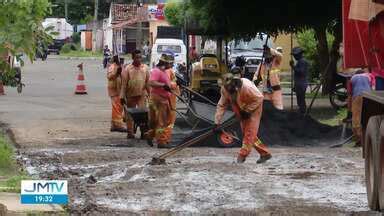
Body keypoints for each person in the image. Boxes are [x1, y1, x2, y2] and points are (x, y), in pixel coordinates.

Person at [215, 67, 272, 163]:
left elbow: (259, 98)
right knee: (248, 133)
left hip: (254, 107)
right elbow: (222, 105)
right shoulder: (225, 90)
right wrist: (217, 123)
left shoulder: (247, 87)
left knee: (249, 134)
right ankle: (264, 153)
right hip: (240, 108)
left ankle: (241, 156)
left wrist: (248, 111)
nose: (229, 89)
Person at [120, 49, 150, 138]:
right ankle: (130, 132)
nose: (139, 59)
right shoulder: (128, 69)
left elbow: (148, 83)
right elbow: (124, 84)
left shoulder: (145, 68)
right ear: (133, 58)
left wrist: (150, 94)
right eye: (137, 57)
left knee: (143, 115)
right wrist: (122, 96)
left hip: (142, 95)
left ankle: (143, 132)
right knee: (129, 114)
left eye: (140, 57)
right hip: (130, 95)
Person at [146, 54, 173, 148]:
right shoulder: (156, 71)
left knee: (158, 121)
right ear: (164, 62)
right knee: (162, 121)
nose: (171, 65)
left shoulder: (164, 71)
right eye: (170, 63)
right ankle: (161, 141)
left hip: (162, 98)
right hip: (159, 99)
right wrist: (162, 85)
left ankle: (150, 135)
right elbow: (151, 82)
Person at [349, 69, 374, 146]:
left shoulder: (352, 78)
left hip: (357, 96)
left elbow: (349, 93)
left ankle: (359, 140)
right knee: (369, 116)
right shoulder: (370, 75)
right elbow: (373, 87)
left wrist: (350, 107)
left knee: (356, 118)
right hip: (369, 96)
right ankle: (370, 137)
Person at [107, 55, 127, 133]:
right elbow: (109, 77)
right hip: (114, 90)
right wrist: (116, 73)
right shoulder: (113, 67)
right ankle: (118, 125)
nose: (122, 62)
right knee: (117, 108)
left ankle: (114, 124)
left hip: (119, 90)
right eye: (120, 60)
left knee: (118, 108)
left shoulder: (121, 67)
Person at [290, 47, 309, 114]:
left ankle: (303, 112)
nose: (294, 57)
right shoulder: (300, 61)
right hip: (299, 84)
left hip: (301, 84)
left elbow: (301, 72)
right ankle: (302, 112)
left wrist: (293, 66)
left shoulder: (302, 61)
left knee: (301, 100)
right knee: (300, 100)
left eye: (295, 55)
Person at [165, 53, 180, 129]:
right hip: (169, 93)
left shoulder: (170, 70)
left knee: (171, 109)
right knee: (170, 109)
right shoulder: (168, 70)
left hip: (171, 94)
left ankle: (170, 124)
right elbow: (168, 83)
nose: (173, 64)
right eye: (172, 63)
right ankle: (169, 124)